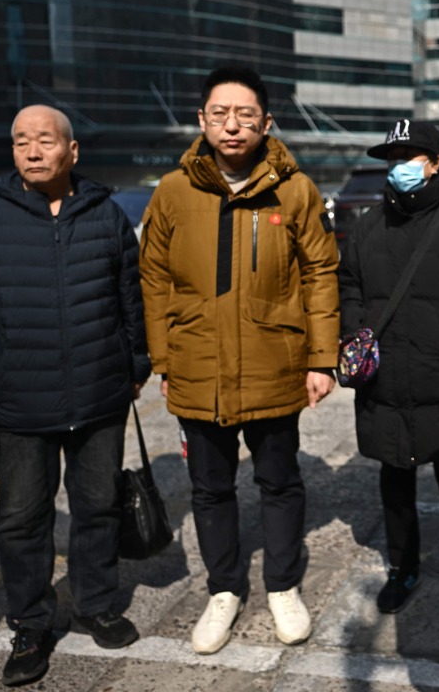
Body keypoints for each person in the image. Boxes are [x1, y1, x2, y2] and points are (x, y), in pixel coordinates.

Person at [0, 105, 150, 687]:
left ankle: (97, 602)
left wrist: (135, 365)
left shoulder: (105, 217)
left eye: (44, 141)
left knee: (98, 505)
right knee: (22, 518)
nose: (31, 150)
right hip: (19, 403)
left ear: (72, 152)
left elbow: (132, 300)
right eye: (20, 141)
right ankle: (29, 623)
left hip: (99, 398)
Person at [139, 67, 339, 655]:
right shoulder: (173, 192)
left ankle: (282, 584)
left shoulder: (294, 189)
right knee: (209, 488)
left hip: (275, 361)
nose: (232, 125)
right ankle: (224, 588)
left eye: (245, 115)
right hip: (198, 365)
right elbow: (152, 277)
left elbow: (320, 274)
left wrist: (321, 359)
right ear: (201, 120)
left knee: (279, 481)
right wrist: (163, 359)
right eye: (220, 114)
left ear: (266, 123)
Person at [338, 120, 439, 626]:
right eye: (393, 158)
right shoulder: (367, 227)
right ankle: (402, 568)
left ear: (435, 162)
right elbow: (348, 285)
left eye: (411, 156)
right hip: (386, 380)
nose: (400, 166)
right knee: (394, 481)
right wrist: (356, 331)